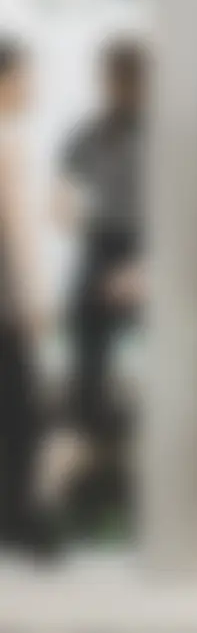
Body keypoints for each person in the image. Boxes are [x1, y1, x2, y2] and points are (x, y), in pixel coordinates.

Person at [55, 38, 145, 516]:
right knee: (84, 328)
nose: (114, 87)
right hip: (103, 246)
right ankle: (84, 436)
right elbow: (62, 203)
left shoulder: (162, 134)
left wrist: (144, 270)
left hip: (153, 252)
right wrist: (80, 223)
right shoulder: (91, 133)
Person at [0, 38, 55, 559]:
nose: (31, 88)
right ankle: (21, 525)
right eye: (25, 77)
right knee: (22, 418)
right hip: (5, 306)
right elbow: (17, 232)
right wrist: (35, 299)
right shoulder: (7, 143)